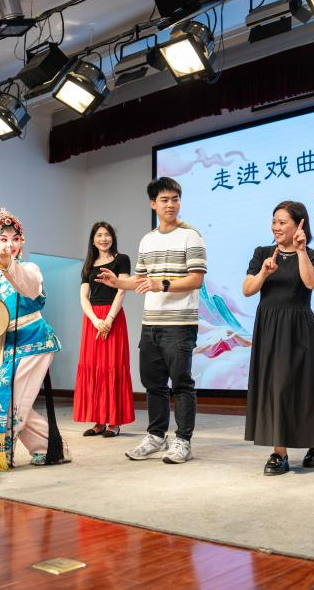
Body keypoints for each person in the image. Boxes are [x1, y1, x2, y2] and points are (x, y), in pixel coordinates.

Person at [96, 177, 207, 464]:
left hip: (180, 324)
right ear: (153, 204)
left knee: (181, 384)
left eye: (175, 199)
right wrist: (118, 282)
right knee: (153, 383)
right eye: (164, 200)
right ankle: (157, 437)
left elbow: (196, 279)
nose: (171, 205)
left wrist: (162, 284)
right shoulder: (147, 240)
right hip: (151, 324)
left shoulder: (191, 236)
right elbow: (140, 280)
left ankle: (183, 441)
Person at [0, 208, 68, 471]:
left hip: (35, 341)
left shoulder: (29, 268)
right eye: (3, 239)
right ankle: (51, 448)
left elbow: (28, 286)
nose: (9, 245)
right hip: (10, 344)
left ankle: (0, 452)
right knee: (11, 399)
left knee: (10, 399)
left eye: (15, 239)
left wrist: (8, 266)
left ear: (22, 242)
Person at [242, 201, 314, 475]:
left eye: (282, 222)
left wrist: (301, 251)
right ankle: (279, 452)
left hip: (298, 326)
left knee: (305, 386)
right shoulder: (262, 253)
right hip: (269, 326)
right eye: (274, 221)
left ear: (299, 225)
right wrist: (263, 272)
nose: (276, 227)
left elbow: (310, 282)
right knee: (275, 386)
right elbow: (247, 289)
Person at [73, 221, 135, 438]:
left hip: (113, 317)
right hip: (93, 321)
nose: (103, 239)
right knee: (94, 367)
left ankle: (114, 422)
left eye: (107, 234)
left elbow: (122, 290)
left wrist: (108, 320)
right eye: (99, 235)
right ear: (93, 240)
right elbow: (83, 297)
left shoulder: (122, 259)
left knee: (113, 367)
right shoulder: (88, 265)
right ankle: (98, 421)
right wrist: (95, 320)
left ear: (112, 238)